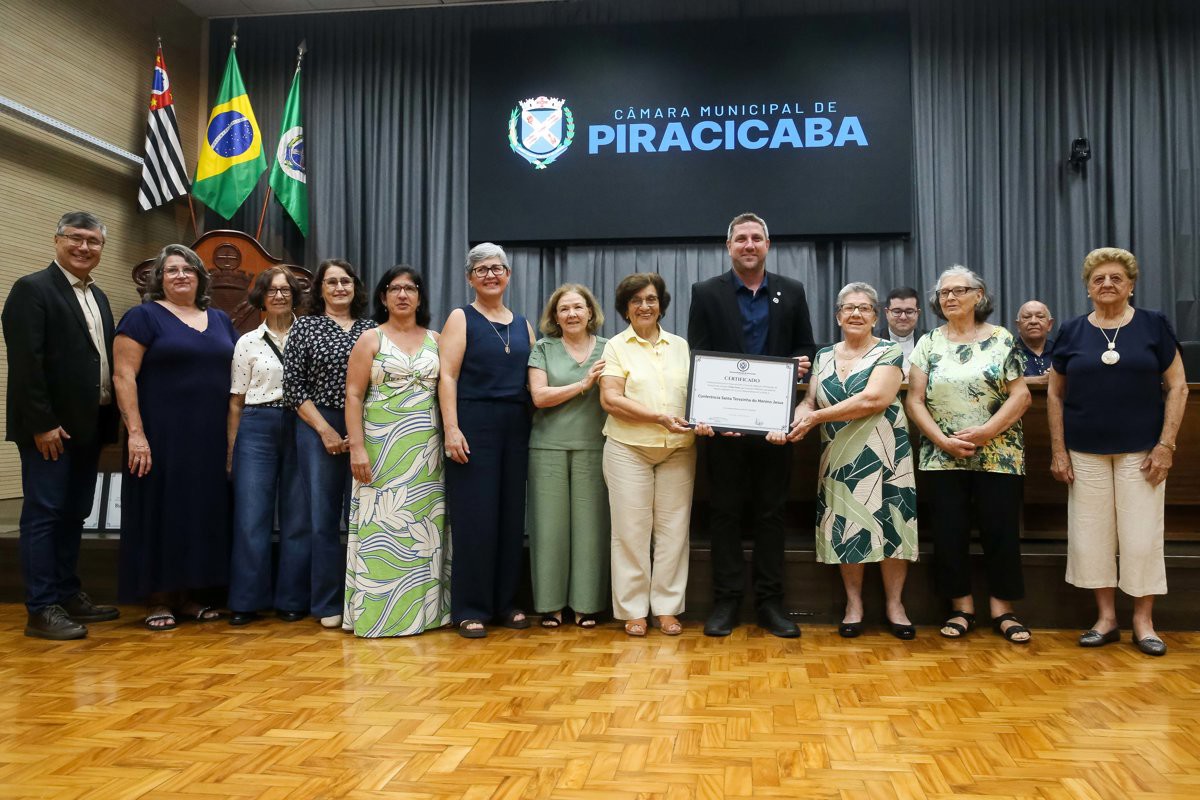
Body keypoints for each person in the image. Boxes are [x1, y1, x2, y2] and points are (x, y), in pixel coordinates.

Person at [1047, 248, 1188, 656]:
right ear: (1088, 287)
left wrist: (1166, 445)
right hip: (1084, 452)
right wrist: (1058, 449)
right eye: (1098, 279)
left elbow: (1177, 386)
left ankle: (1143, 621)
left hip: (1142, 451)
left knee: (1141, 538)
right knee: (1092, 537)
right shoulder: (1072, 331)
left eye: (1116, 278)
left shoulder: (1152, 325)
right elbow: (1055, 394)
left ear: (1131, 285)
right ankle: (1106, 619)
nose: (1107, 284)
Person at [687, 212, 813, 639]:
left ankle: (770, 604)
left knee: (771, 516)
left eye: (756, 237)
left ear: (767, 244)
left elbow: (804, 347)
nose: (748, 244)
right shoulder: (705, 293)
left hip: (775, 429)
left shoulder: (792, 292)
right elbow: (698, 355)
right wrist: (712, 412)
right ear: (729, 246)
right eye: (740, 238)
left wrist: (802, 364)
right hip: (724, 431)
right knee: (723, 515)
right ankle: (725, 602)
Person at [771, 283, 917, 639]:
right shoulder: (823, 356)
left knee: (892, 525)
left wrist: (815, 418)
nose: (856, 314)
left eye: (864, 308)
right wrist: (796, 415)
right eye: (849, 308)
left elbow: (874, 399)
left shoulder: (888, 351)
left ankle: (895, 605)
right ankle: (854, 604)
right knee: (849, 525)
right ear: (838, 316)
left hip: (885, 454)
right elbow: (811, 400)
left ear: (875, 316)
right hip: (839, 457)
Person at [2, 211, 119, 639]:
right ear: (57, 240)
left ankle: (68, 594)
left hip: (87, 428)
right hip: (50, 432)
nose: (85, 247)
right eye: (76, 238)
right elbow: (26, 364)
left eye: (94, 241)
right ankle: (41, 607)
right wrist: (43, 423)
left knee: (74, 515)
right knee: (44, 516)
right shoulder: (32, 289)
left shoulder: (99, 296)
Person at [113, 244, 240, 630]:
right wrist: (136, 434)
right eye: (171, 270)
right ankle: (158, 597)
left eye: (188, 269)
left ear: (201, 277)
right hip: (160, 435)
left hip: (210, 436)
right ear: (160, 279)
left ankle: (192, 595)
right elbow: (123, 377)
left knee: (202, 511)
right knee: (161, 510)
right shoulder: (141, 317)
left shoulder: (219, 319)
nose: (181, 275)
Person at [905, 266, 1033, 643]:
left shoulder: (1002, 339)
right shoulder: (928, 343)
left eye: (959, 290)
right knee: (948, 532)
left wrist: (987, 432)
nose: (950, 297)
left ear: (979, 296)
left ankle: (1004, 611)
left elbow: (1021, 395)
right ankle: (961, 608)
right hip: (941, 456)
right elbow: (914, 400)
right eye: (944, 293)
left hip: (999, 454)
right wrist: (943, 441)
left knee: (1000, 531)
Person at [601, 273, 714, 637]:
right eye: (636, 301)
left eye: (651, 299)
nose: (644, 306)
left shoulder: (681, 345)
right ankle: (633, 610)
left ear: (661, 304)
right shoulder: (616, 346)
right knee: (631, 533)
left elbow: (701, 393)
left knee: (673, 532)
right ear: (625, 308)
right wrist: (658, 418)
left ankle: (666, 608)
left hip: (678, 451)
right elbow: (611, 400)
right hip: (628, 450)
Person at [344, 266, 450, 637]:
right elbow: (354, 395)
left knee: (423, 529)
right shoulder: (370, 339)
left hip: (425, 451)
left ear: (420, 297)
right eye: (395, 288)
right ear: (383, 296)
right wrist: (356, 447)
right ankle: (378, 614)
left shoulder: (437, 339)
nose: (402, 295)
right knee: (382, 527)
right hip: (380, 446)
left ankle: (425, 615)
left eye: (410, 288)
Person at [439, 243, 536, 639]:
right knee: (475, 519)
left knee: (511, 519)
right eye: (481, 269)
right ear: (470, 278)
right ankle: (470, 607)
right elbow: (446, 376)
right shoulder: (461, 318)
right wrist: (451, 428)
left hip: (516, 425)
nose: (491, 275)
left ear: (508, 275)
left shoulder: (524, 323)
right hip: (473, 424)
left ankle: (504, 603)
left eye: (497, 268)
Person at [283, 259, 377, 629]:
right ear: (319, 288)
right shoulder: (305, 327)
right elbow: (293, 387)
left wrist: (358, 432)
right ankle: (325, 603)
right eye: (332, 282)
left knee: (363, 516)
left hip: (368, 427)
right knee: (323, 519)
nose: (340, 287)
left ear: (356, 287)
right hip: (317, 424)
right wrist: (325, 430)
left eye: (346, 281)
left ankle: (365, 596)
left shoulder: (373, 328)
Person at [226, 267, 306, 625]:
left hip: (302, 425)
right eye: (271, 290)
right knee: (251, 516)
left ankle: (291, 598)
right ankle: (246, 600)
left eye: (285, 289)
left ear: (294, 295)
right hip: (257, 426)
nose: (278, 295)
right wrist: (232, 449)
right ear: (261, 296)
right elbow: (236, 401)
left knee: (297, 515)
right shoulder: (247, 342)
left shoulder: (308, 335)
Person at [527, 284, 609, 629]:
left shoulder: (611, 349)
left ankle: (586, 606)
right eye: (564, 309)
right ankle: (551, 606)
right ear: (555, 317)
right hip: (547, 446)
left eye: (578, 307)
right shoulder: (543, 349)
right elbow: (540, 396)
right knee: (549, 530)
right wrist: (583, 385)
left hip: (596, 446)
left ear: (591, 313)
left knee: (592, 529)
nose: (572, 314)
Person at [880, 287, 924, 376]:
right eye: (897, 311)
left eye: (909, 311)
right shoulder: (871, 340)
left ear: (918, 313)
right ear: (886, 312)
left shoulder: (930, 341)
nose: (903, 317)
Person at [1014, 300, 1055, 382]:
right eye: (1027, 317)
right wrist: (1040, 380)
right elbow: (997, 384)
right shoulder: (1006, 352)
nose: (1033, 321)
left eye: (1040, 317)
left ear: (1049, 324)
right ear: (1018, 326)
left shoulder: (1061, 351)